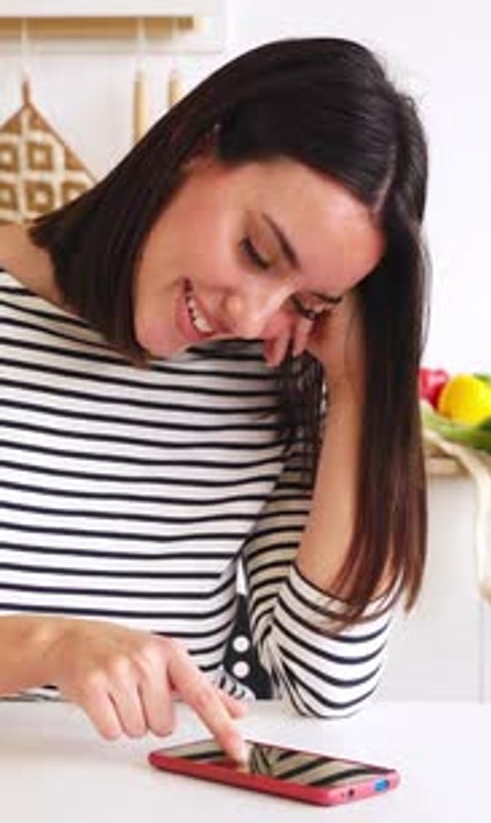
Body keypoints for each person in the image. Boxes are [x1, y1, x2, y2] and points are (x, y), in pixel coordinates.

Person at [0, 37, 428, 764]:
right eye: (259, 252)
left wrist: (356, 388)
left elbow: (325, 687)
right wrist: (44, 644)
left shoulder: (275, 376)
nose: (253, 316)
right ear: (195, 144)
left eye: (311, 300)